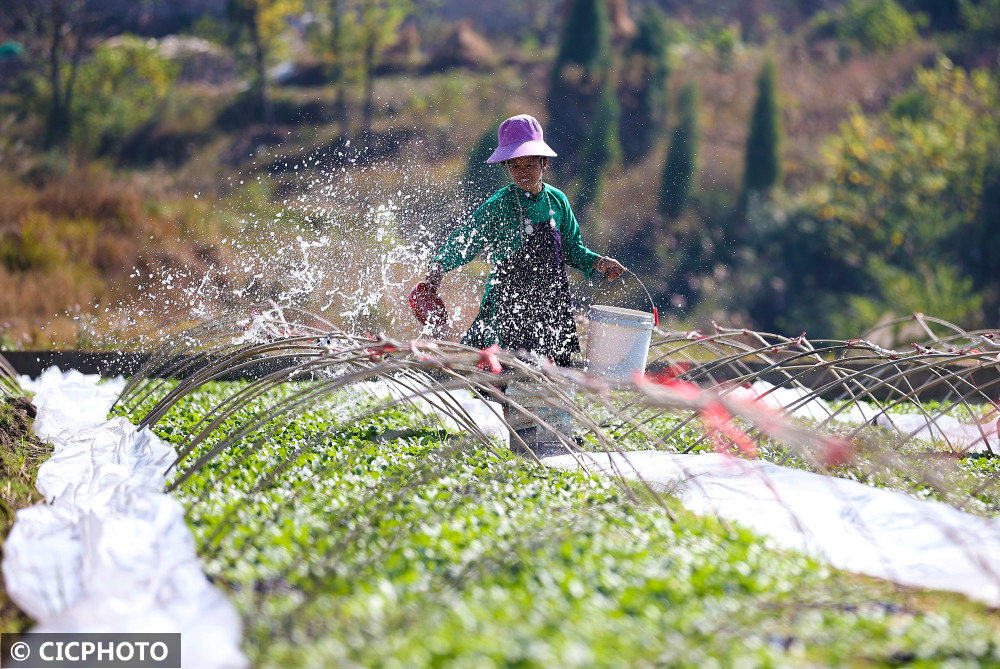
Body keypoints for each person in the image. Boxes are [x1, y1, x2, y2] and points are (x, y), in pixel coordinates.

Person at [418, 113, 626, 367]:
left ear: (544, 164)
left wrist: (599, 262)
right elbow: (466, 237)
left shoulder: (558, 201)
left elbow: (572, 249)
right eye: (515, 166)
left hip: (552, 306)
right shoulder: (499, 204)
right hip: (509, 307)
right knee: (504, 378)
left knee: (553, 379)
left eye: (529, 165)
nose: (522, 172)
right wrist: (440, 264)